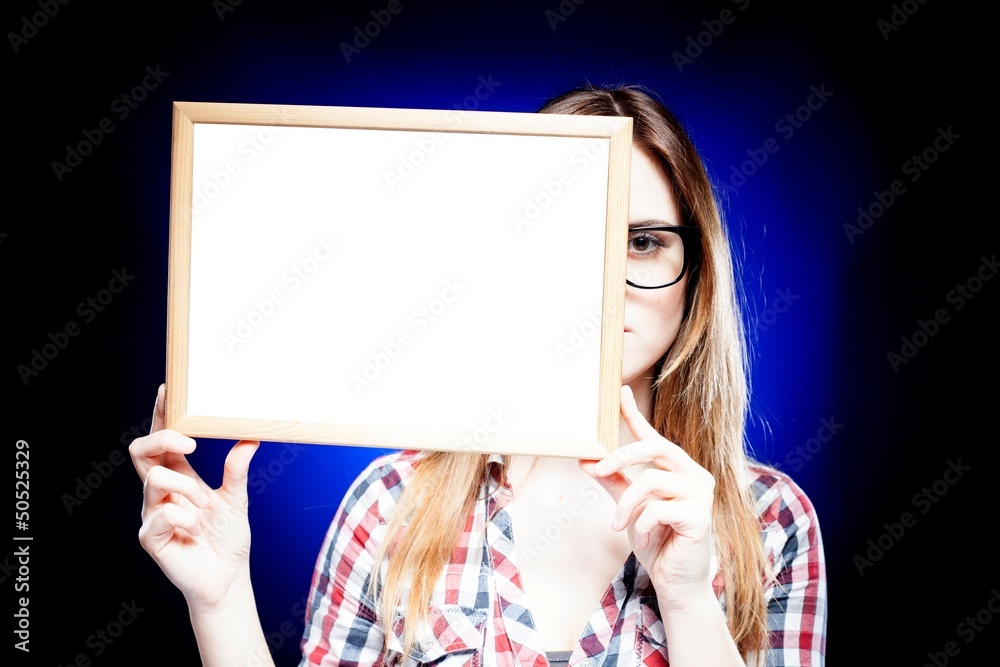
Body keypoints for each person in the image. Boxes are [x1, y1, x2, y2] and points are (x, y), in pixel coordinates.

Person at [130, 82, 827, 666]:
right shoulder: (390, 504)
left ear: (694, 276)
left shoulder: (771, 523)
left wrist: (687, 597)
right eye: (570, 235)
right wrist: (219, 598)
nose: (605, 280)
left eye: (643, 242)